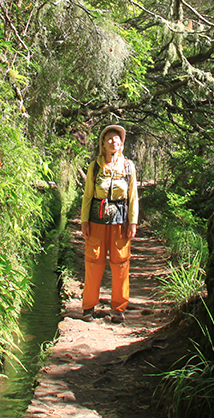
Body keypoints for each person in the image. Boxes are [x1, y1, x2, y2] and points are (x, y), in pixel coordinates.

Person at [80, 124, 138, 323]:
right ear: (103, 143)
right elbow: (88, 195)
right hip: (96, 221)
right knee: (93, 261)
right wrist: (84, 221)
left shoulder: (128, 167)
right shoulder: (95, 167)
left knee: (121, 263)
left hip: (120, 223)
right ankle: (88, 307)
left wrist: (133, 222)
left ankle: (119, 308)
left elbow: (133, 197)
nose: (114, 142)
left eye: (117, 139)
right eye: (110, 139)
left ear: (122, 143)